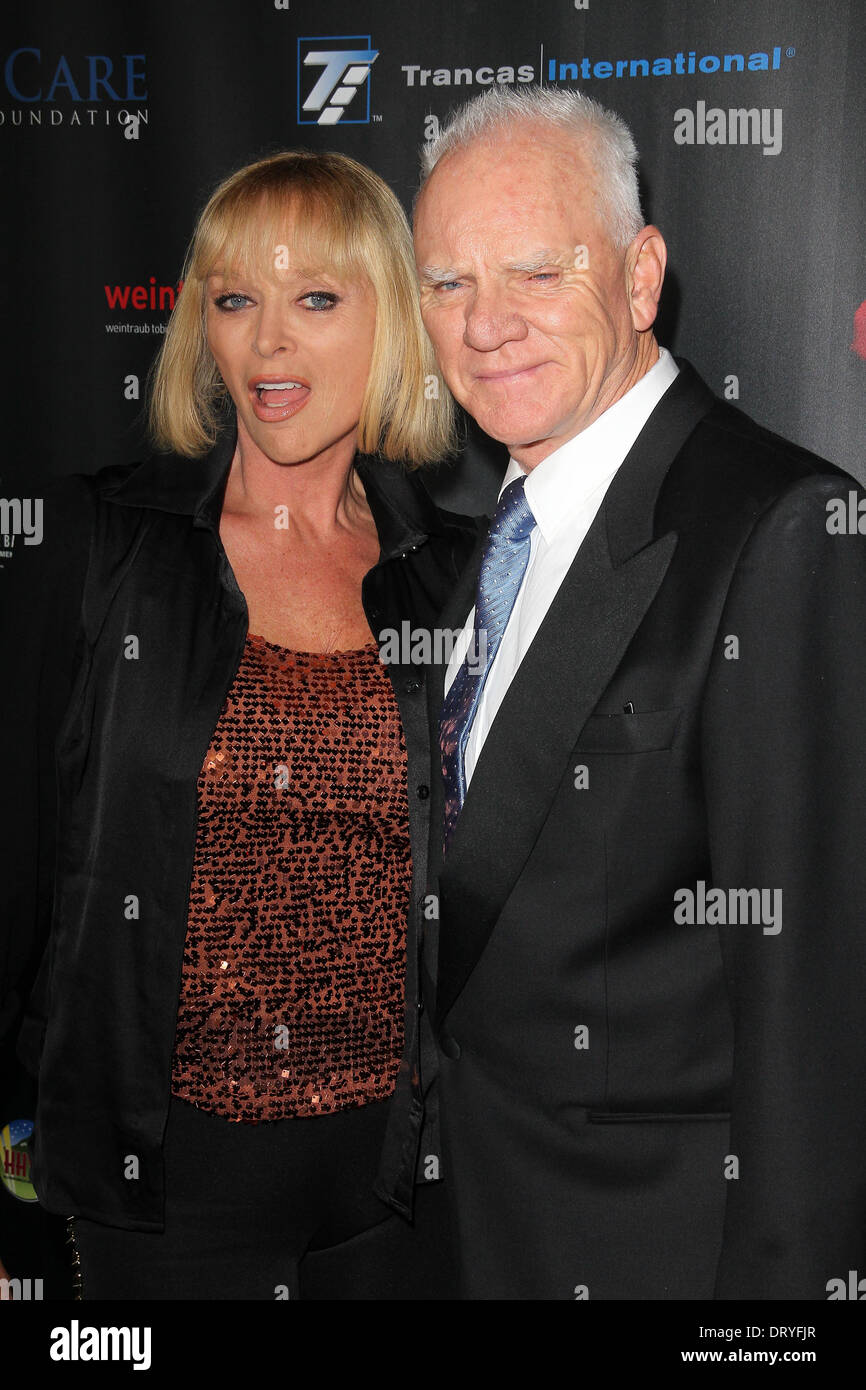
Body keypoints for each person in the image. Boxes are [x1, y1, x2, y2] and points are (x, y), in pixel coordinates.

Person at [412, 85, 866, 1300]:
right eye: (447, 283)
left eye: (534, 272)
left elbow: (813, 1006)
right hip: (462, 1236)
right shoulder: (482, 547)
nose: (485, 322)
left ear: (637, 274)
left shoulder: (777, 528)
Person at [2, 149, 478, 1299]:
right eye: (234, 300)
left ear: (392, 321)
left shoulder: (455, 575)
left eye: (316, 298)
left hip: (398, 1187)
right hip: (163, 1191)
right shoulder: (100, 547)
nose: (269, 343)